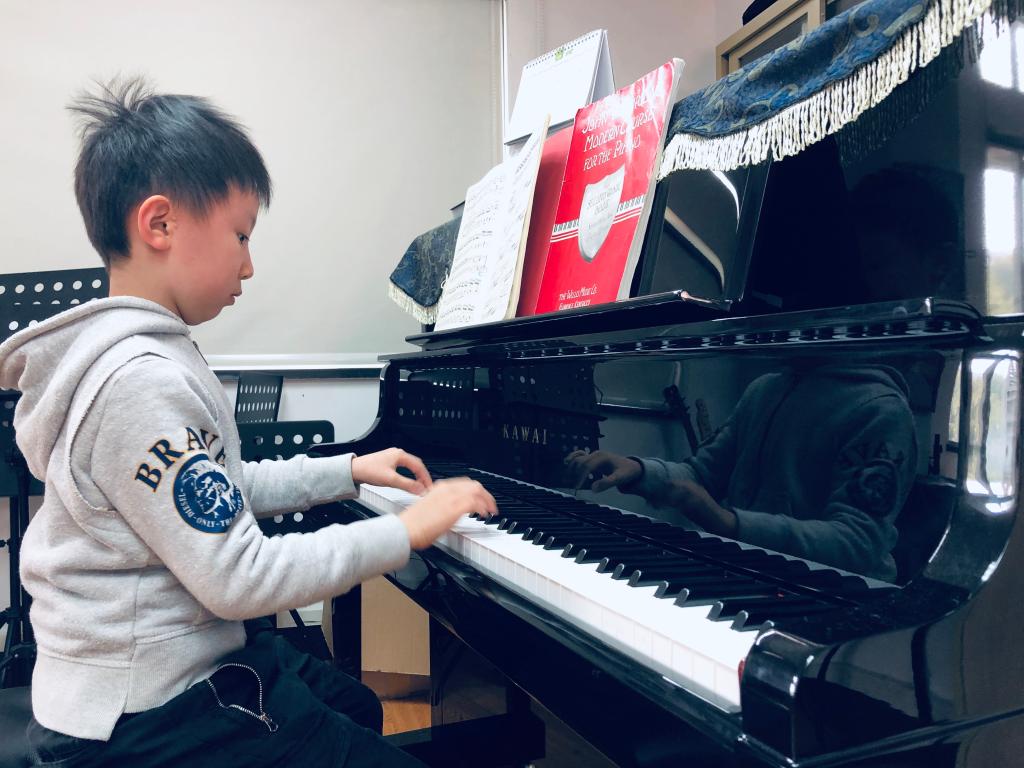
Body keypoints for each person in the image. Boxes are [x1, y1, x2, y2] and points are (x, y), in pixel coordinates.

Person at [0, 78, 497, 767]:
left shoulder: (153, 353)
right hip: (143, 716)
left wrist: (348, 471)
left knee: (354, 704)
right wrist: (406, 531)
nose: (250, 263)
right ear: (159, 224)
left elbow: (221, 489)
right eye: (240, 235)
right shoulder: (136, 380)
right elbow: (241, 578)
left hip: (172, 675)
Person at [566, 361, 917, 582]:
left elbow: (857, 542)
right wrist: (640, 470)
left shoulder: (880, 409)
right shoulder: (764, 389)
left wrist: (730, 524)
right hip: (751, 575)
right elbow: (702, 474)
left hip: (836, 600)